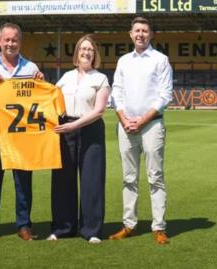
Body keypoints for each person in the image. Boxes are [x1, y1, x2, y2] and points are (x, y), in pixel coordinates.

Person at [0, 22, 43, 242]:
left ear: (20, 42)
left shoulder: (31, 68)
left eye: (15, 40)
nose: (11, 44)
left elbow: (38, 100)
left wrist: (40, 83)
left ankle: (24, 225)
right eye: (7, 39)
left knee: (23, 180)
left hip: (23, 132)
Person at [109, 16, 173, 244]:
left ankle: (159, 227)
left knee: (155, 177)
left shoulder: (160, 60)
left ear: (151, 34)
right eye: (137, 30)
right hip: (126, 126)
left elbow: (165, 95)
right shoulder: (124, 61)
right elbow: (116, 93)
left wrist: (142, 120)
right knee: (129, 178)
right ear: (130, 34)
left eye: (145, 31)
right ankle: (129, 224)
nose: (141, 34)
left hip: (152, 125)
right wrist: (125, 119)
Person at [47, 35, 110, 244]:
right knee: (62, 181)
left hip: (90, 130)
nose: (86, 52)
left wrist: (75, 125)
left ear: (95, 54)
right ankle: (63, 227)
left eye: (90, 49)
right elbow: (49, 100)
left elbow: (99, 110)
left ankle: (91, 230)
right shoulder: (65, 77)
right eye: (82, 49)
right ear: (76, 53)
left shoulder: (100, 79)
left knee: (92, 181)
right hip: (65, 130)